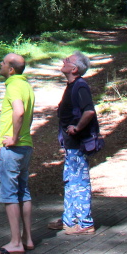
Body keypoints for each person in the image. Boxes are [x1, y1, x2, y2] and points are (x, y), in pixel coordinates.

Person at [49, 51, 99, 235]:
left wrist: (77, 128)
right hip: (70, 145)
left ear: (74, 68)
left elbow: (89, 112)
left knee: (79, 182)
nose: (64, 61)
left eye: (68, 60)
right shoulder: (71, 86)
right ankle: (69, 221)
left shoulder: (80, 86)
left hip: (78, 144)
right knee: (70, 181)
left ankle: (85, 223)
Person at [0, 52, 35, 254]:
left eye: (3, 62)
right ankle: (28, 239)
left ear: (11, 69)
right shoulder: (26, 85)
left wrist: (14, 138)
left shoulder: (13, 86)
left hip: (14, 148)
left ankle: (15, 242)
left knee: (9, 194)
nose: (0, 64)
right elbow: (29, 115)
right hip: (26, 147)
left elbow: (19, 112)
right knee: (23, 192)